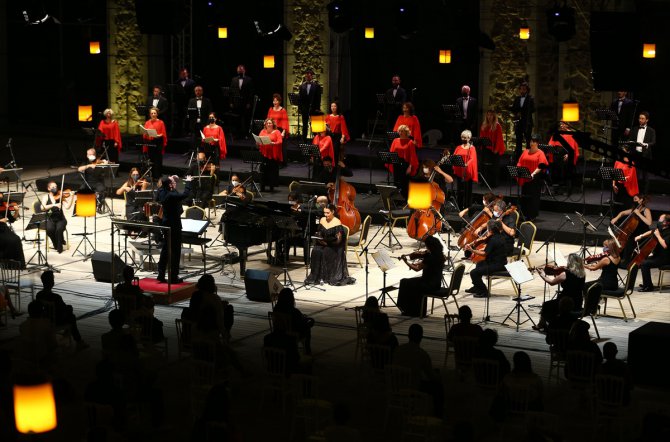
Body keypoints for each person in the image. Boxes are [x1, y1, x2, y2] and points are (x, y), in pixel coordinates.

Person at [393, 323, 444, 417]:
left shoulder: (398, 350)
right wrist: (439, 376)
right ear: (421, 337)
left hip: (397, 385)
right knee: (438, 388)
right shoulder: (422, 354)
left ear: (408, 335)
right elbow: (431, 376)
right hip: (413, 387)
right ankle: (438, 415)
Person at [36, 270, 89, 350]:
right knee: (71, 316)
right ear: (52, 282)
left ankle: (70, 335)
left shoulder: (39, 295)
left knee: (69, 310)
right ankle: (78, 341)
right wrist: (69, 309)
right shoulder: (56, 297)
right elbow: (63, 310)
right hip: (55, 321)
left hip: (44, 319)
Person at [304, 204, 355, 286]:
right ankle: (317, 276)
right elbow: (319, 233)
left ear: (333, 212)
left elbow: (339, 240)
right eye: (324, 213)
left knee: (326, 251)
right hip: (323, 243)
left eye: (328, 213)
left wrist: (328, 243)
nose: (325, 215)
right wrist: (320, 239)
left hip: (334, 246)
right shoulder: (322, 220)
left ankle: (328, 276)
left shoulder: (337, 222)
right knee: (315, 250)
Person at [533, 253, 586, 331]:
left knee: (547, 305)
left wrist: (543, 275)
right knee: (551, 304)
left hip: (565, 302)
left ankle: (545, 324)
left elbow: (551, 282)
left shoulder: (565, 274)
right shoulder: (582, 274)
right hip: (578, 302)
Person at [156, 174, 192, 283]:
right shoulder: (171, 195)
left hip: (166, 224)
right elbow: (185, 194)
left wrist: (170, 180)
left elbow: (164, 185)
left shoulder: (162, 192)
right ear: (169, 185)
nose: (173, 183)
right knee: (175, 251)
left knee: (166, 250)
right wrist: (188, 182)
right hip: (174, 225)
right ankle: (173, 277)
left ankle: (161, 274)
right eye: (171, 182)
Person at [397, 236, 446, 317]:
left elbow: (417, 269)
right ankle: (413, 310)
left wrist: (406, 262)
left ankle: (410, 310)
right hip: (436, 283)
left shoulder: (430, 257)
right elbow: (427, 265)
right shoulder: (440, 255)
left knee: (404, 282)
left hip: (428, 284)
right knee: (408, 282)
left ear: (430, 246)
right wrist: (419, 262)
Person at [466, 219, 508, 298]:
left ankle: (484, 291)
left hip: (497, 265)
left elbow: (484, 254)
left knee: (473, 273)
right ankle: (476, 287)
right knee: (479, 264)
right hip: (501, 262)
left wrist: (472, 250)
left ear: (490, 230)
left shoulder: (493, 239)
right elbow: (494, 249)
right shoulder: (500, 236)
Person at [611, 194, 652, 266]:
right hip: (633, 232)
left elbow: (649, 222)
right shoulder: (634, 209)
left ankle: (627, 262)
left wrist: (639, 214)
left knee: (629, 243)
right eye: (633, 199)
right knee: (626, 241)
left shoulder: (646, 210)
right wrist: (616, 218)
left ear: (641, 200)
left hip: (642, 233)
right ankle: (619, 258)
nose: (634, 201)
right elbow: (622, 213)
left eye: (635, 199)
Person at [516, 134, 548, 221]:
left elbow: (542, 165)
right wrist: (519, 169)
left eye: (533, 141)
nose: (531, 143)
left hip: (534, 179)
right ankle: (524, 214)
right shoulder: (526, 151)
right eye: (531, 141)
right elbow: (520, 162)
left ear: (537, 143)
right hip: (525, 177)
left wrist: (533, 174)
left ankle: (532, 215)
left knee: (533, 198)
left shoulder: (540, 153)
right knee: (525, 196)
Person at [274, 288, 315, 355]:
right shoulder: (294, 311)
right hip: (291, 333)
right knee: (309, 325)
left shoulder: (276, 309)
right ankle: (307, 350)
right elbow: (299, 324)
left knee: (305, 323)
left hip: (279, 332)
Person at [635, 213, 670, 291]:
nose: (658, 221)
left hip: (665, 258)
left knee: (644, 264)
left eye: (660, 220)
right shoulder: (661, 229)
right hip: (658, 256)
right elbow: (651, 231)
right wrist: (641, 236)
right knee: (642, 261)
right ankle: (647, 283)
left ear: (666, 222)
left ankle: (648, 287)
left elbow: (665, 245)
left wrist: (658, 236)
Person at [547, 121, 580, 194]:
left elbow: (573, 148)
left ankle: (566, 189)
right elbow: (551, 144)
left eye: (563, 124)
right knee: (554, 168)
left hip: (566, 156)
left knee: (565, 168)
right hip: (557, 155)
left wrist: (569, 154)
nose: (561, 126)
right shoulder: (557, 133)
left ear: (567, 125)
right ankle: (556, 188)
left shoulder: (571, 134)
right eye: (560, 124)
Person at [387, 124, 418, 197]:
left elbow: (412, 156)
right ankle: (396, 198)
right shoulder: (395, 140)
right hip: (396, 163)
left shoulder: (410, 142)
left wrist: (410, 167)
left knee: (404, 183)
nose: (400, 132)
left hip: (405, 164)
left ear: (406, 132)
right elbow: (391, 152)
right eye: (399, 131)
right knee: (396, 182)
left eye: (402, 131)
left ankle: (405, 198)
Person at [628, 111, 656, 194]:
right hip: (635, 154)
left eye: (642, 118)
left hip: (645, 155)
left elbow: (653, 142)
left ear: (647, 120)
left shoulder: (651, 130)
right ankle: (635, 192)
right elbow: (630, 140)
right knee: (635, 174)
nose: (640, 120)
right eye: (639, 118)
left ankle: (644, 194)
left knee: (645, 175)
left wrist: (646, 144)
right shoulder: (635, 129)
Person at [42, 181, 73, 254]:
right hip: (50, 218)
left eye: (56, 187)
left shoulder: (60, 196)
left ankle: (60, 248)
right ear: (48, 188)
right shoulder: (46, 197)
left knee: (59, 229)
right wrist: (53, 205)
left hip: (61, 219)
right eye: (53, 187)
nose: (55, 188)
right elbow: (43, 207)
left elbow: (68, 207)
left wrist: (71, 197)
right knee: (49, 230)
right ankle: (55, 244)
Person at [451, 129, 479, 209]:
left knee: (467, 191)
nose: (463, 139)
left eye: (465, 138)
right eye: (462, 137)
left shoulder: (472, 148)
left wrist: (466, 164)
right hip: (460, 171)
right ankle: (459, 207)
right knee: (459, 190)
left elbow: (472, 158)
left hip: (467, 171)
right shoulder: (458, 147)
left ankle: (467, 208)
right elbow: (454, 156)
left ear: (469, 138)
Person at [479, 109, 505, 188]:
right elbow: (481, 137)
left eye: (491, 115)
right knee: (484, 166)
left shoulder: (497, 125)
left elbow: (499, 138)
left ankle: (493, 183)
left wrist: (496, 149)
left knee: (494, 167)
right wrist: (481, 146)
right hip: (485, 148)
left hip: (494, 150)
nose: (489, 116)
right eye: (488, 115)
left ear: (494, 116)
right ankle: (484, 182)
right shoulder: (484, 125)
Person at [511, 81, 535, 161]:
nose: (522, 91)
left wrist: (524, 111)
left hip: (527, 122)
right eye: (521, 89)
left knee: (528, 140)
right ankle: (518, 158)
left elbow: (533, 109)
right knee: (518, 140)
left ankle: (528, 157)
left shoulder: (530, 99)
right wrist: (516, 112)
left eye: (524, 89)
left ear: (527, 90)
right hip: (519, 122)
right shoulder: (517, 99)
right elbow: (514, 109)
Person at [77, 147, 108, 211]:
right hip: (87, 182)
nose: (89, 156)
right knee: (81, 189)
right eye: (88, 154)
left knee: (102, 190)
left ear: (95, 155)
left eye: (91, 154)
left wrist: (104, 163)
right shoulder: (85, 162)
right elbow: (79, 169)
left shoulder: (99, 162)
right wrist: (88, 166)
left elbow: (106, 167)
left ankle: (97, 205)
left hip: (97, 182)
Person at [257, 118, 283, 192]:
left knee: (272, 171)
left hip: (273, 155)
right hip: (264, 154)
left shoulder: (277, 132)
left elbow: (280, 141)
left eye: (270, 123)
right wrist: (258, 142)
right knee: (263, 170)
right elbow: (259, 140)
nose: (268, 124)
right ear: (265, 124)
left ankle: (271, 186)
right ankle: (262, 186)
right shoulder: (262, 131)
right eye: (267, 123)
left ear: (273, 124)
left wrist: (274, 143)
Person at [142, 107, 168, 180]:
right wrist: (146, 134)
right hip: (150, 143)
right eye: (152, 113)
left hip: (158, 142)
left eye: (154, 113)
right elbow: (145, 132)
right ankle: (152, 176)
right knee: (151, 159)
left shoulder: (161, 122)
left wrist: (157, 135)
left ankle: (157, 176)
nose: (153, 114)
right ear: (150, 114)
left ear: (157, 114)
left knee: (158, 160)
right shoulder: (147, 122)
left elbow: (163, 134)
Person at [229, 64, 255, 137]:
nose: (240, 70)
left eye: (241, 69)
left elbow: (251, 92)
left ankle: (246, 134)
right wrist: (231, 102)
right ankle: (237, 134)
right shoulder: (234, 79)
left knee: (246, 119)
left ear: (244, 70)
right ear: (237, 71)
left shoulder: (249, 79)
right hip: (236, 102)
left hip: (245, 103)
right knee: (236, 119)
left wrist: (249, 103)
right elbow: (231, 92)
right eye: (239, 69)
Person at [612, 144, 639, 211]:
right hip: (617, 187)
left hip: (626, 187)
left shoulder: (631, 163)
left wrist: (622, 178)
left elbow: (629, 178)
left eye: (624, 151)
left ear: (628, 152)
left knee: (624, 207)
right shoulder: (617, 161)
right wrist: (613, 185)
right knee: (616, 206)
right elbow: (614, 174)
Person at [299, 68, 322, 139]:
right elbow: (300, 98)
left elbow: (318, 98)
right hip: (305, 108)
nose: (308, 76)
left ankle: (315, 140)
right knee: (305, 125)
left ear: (312, 76)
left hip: (313, 108)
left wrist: (317, 108)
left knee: (314, 125)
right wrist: (300, 108)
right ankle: (304, 141)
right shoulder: (302, 86)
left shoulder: (316, 86)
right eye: (307, 75)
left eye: (309, 75)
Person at [267, 93, 289, 165]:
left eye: (276, 101)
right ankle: (273, 160)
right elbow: (268, 120)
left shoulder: (283, 110)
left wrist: (283, 132)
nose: (275, 102)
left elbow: (285, 121)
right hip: (272, 129)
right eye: (274, 101)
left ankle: (281, 162)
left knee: (280, 147)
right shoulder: (270, 109)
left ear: (279, 101)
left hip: (279, 130)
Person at [175, 68, 196, 137]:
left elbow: (193, 94)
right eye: (181, 74)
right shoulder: (177, 82)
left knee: (188, 117)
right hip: (180, 103)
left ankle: (188, 131)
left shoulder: (191, 82)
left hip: (188, 102)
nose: (183, 75)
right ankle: (180, 132)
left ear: (187, 74)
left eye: (184, 73)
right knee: (180, 117)